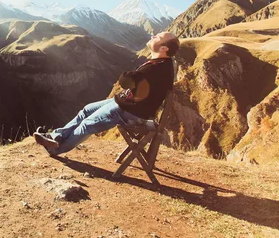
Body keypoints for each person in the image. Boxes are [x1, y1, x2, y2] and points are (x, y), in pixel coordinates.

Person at [34, 31, 179, 156]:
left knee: (87, 124)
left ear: (164, 48)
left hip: (131, 111)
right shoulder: (160, 64)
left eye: (158, 37)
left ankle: (54, 149)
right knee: (86, 110)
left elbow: (125, 80)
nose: (153, 35)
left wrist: (129, 75)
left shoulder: (157, 69)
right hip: (127, 104)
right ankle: (55, 137)